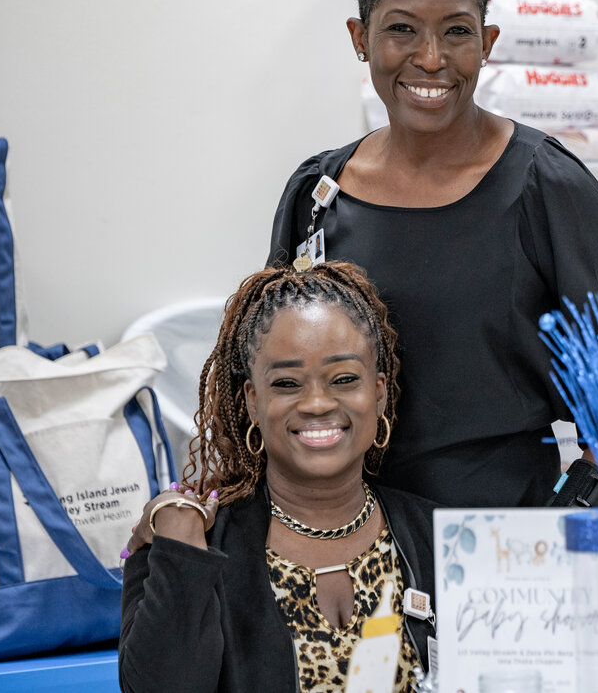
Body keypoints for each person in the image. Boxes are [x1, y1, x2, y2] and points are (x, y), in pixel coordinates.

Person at [268, 0, 598, 508]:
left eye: (457, 31)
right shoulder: (318, 195)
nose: (431, 58)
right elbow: (272, 376)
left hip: (503, 552)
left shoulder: (545, 189)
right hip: (348, 549)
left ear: (487, 43)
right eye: (402, 29)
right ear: (359, 37)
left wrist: (565, 520)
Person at [119, 262, 438, 693]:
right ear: (252, 401)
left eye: (343, 379)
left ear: (379, 393)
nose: (317, 403)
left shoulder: (440, 538)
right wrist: (180, 551)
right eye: (287, 384)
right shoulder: (196, 547)